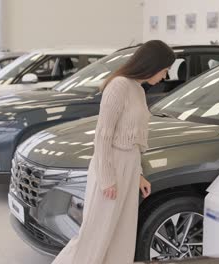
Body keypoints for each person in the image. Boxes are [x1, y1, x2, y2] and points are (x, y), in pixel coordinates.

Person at [52, 40, 176, 264]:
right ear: (153, 64)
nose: (165, 77)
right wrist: (107, 178)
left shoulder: (138, 90)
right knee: (95, 235)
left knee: (121, 234)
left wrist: (137, 174)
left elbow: (134, 139)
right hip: (111, 168)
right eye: (165, 70)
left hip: (128, 168)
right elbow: (103, 135)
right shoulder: (118, 86)